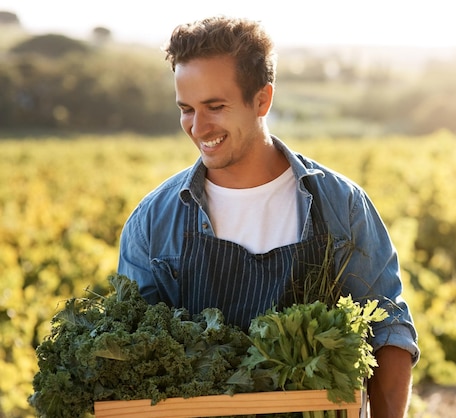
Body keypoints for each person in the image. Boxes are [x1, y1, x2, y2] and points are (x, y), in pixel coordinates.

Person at [117, 15, 419, 418]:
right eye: (186, 109)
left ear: (262, 100)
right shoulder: (153, 222)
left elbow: (389, 332)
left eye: (215, 106)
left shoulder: (340, 205)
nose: (198, 126)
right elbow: (132, 363)